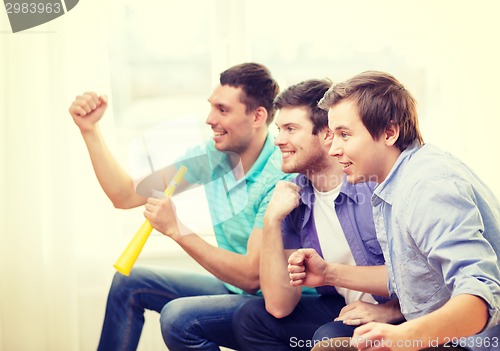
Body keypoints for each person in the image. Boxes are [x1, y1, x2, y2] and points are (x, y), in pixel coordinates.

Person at [68, 62, 293, 351]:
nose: (209, 119)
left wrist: (176, 230)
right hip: (234, 290)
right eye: (211, 107)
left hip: (274, 305)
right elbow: (124, 195)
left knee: (178, 318)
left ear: (257, 116)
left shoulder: (280, 174)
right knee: (129, 283)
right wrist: (89, 130)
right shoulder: (213, 156)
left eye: (222, 110)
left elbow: (252, 277)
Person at [289, 71, 500, 351]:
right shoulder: (395, 183)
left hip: (469, 343)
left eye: (344, 135)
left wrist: (406, 336)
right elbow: (416, 274)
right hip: (438, 336)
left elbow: (482, 292)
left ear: (390, 132)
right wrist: (328, 273)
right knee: (329, 343)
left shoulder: (427, 186)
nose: (333, 150)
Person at [232, 79, 404, 351]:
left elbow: (420, 277)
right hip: (349, 308)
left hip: (404, 313)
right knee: (250, 319)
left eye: (290, 129)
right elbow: (278, 305)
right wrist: (271, 220)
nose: (277, 140)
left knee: (327, 336)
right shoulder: (294, 197)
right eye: (279, 129)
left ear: (326, 134)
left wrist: (391, 310)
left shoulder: (373, 186)